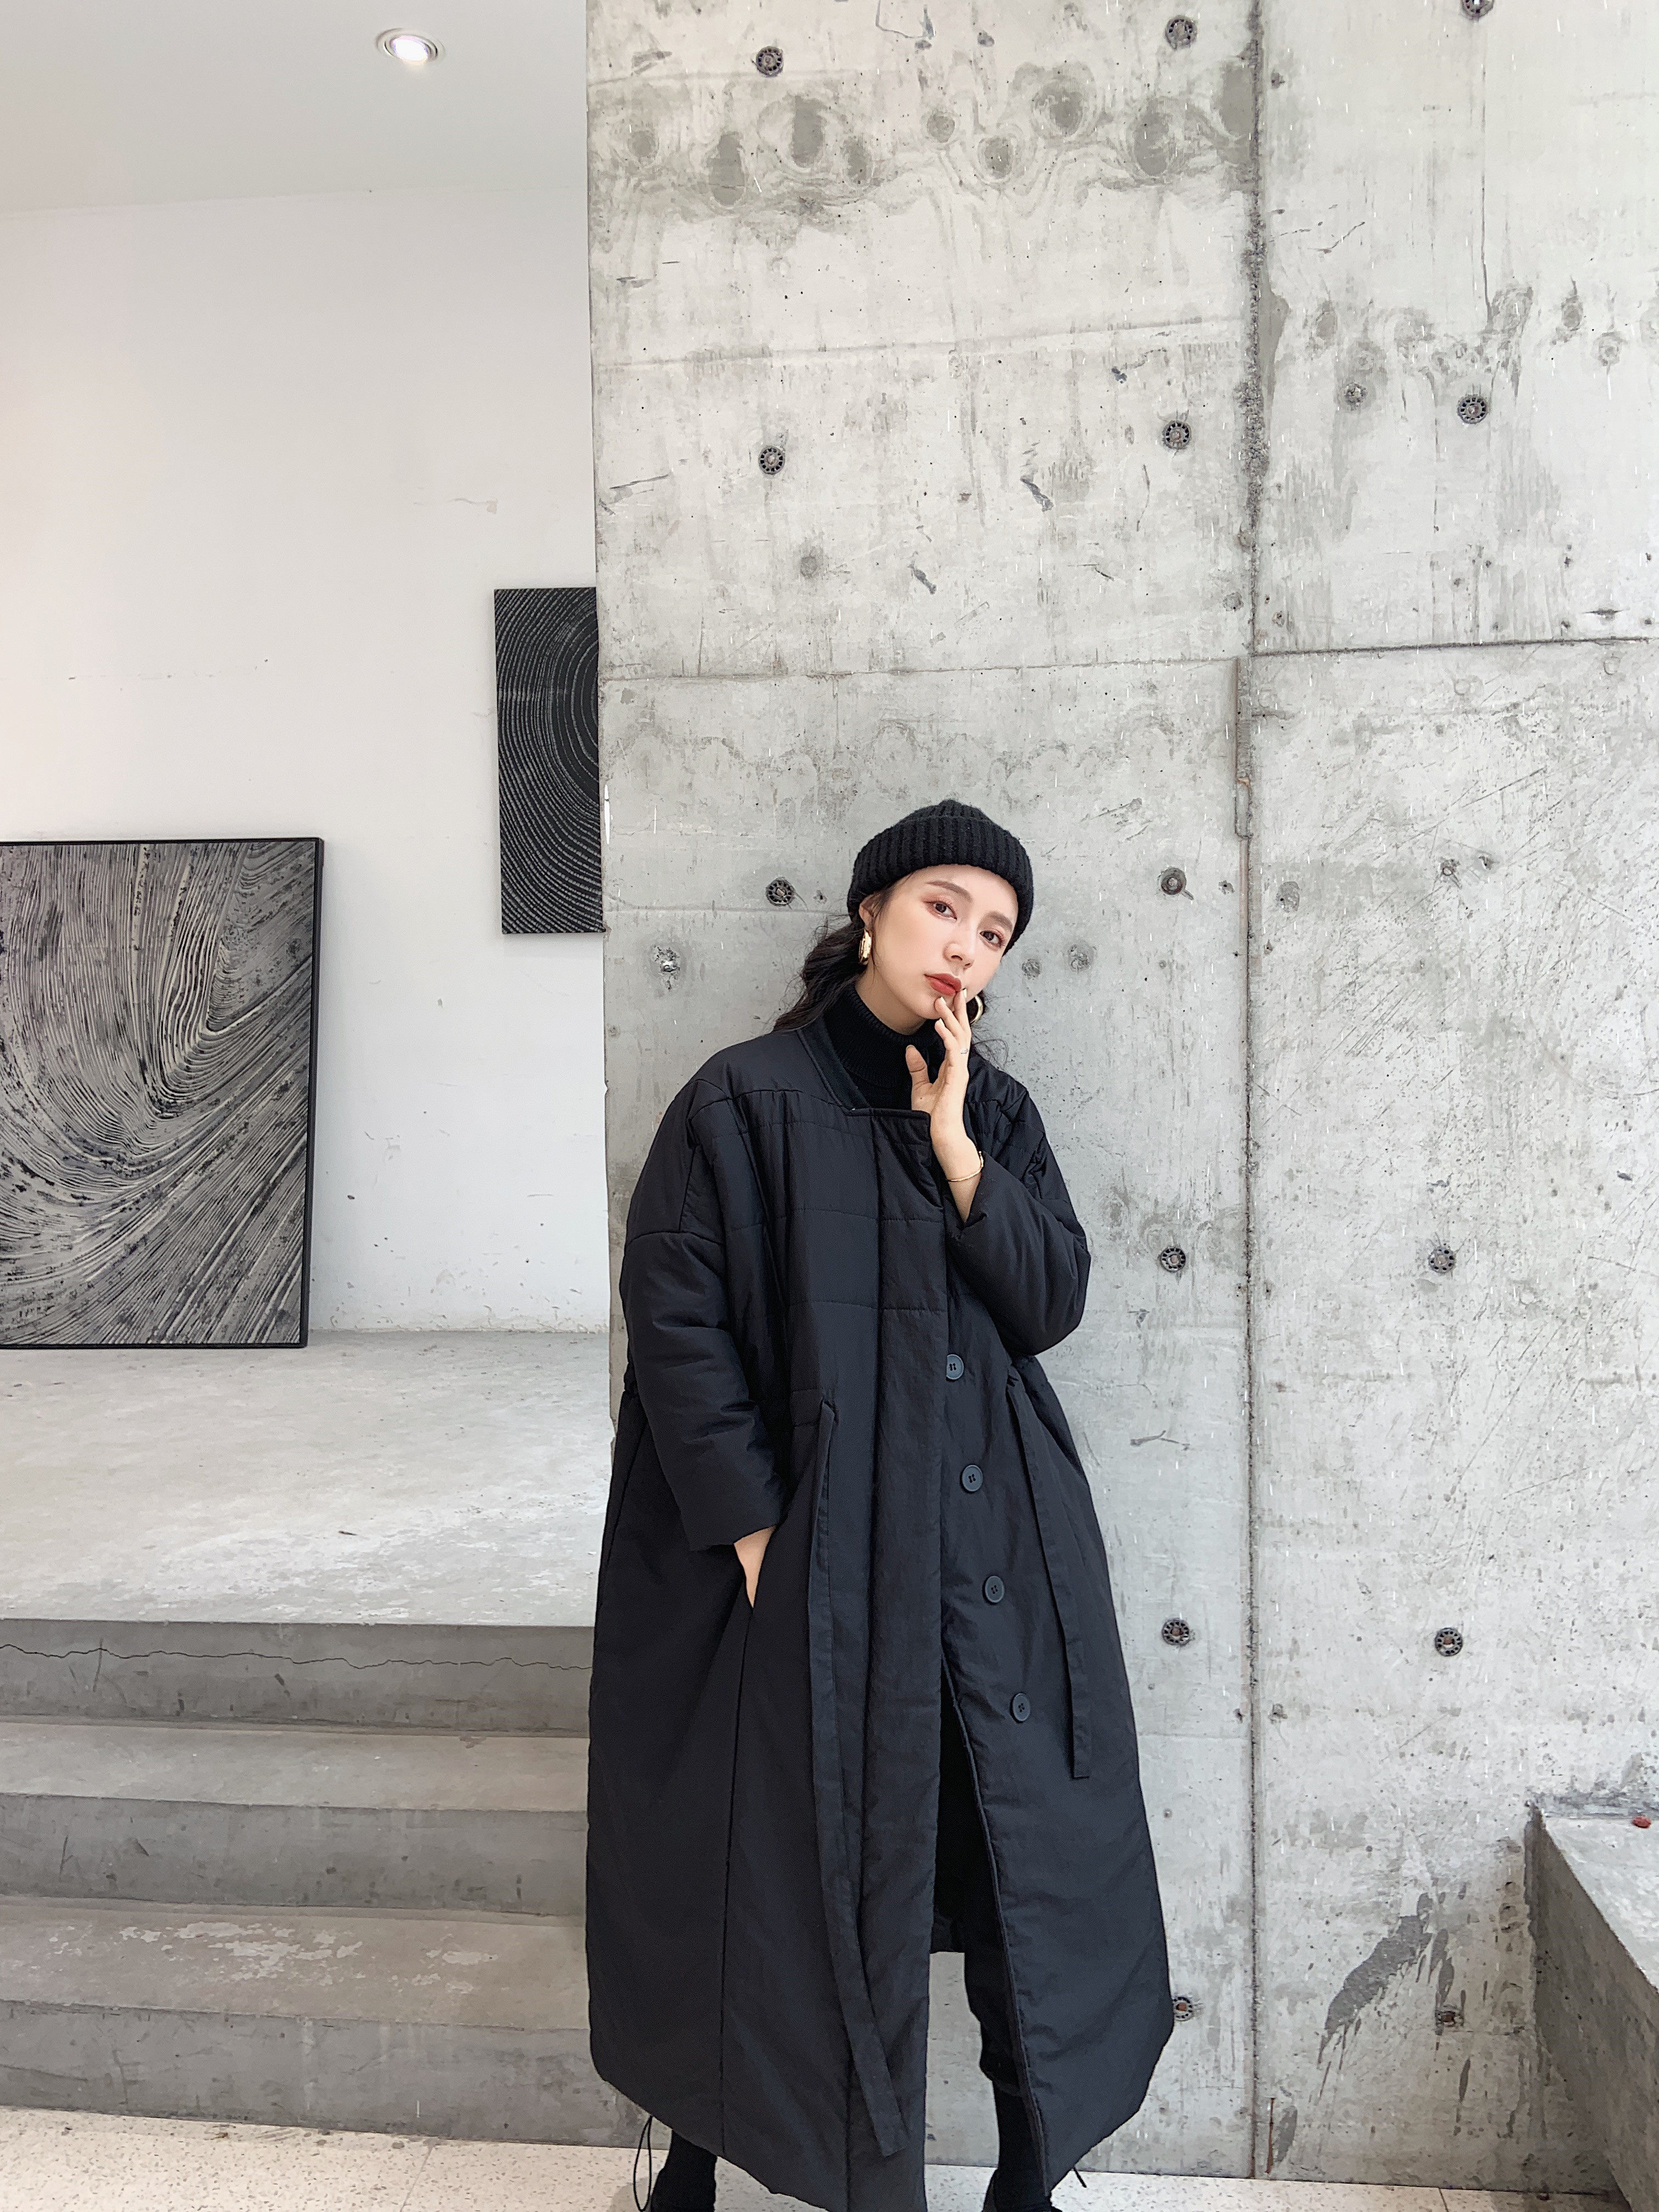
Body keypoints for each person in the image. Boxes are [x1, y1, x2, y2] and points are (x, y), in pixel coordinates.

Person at [585, 799, 1173, 2212]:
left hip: (989, 1551)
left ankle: (1028, 2174)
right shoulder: (742, 1099)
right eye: (943, 908)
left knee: (1016, 1855)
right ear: (871, 912)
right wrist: (752, 1533)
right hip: (800, 1556)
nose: (966, 946)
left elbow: (1052, 1300)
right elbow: (676, 1317)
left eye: (996, 932)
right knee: (753, 1861)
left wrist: (958, 1147)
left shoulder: (999, 1113)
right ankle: (693, 2165)